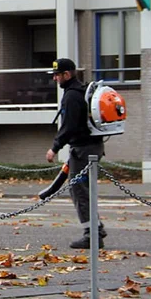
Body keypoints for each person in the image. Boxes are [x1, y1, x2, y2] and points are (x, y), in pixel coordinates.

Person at [45, 58, 106, 249]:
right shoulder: (81, 91)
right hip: (92, 147)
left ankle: (92, 235)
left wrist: (55, 147)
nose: (55, 78)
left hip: (83, 149)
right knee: (83, 190)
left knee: (79, 191)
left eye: (57, 75)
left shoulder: (71, 96)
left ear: (67, 74)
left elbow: (69, 126)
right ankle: (97, 229)